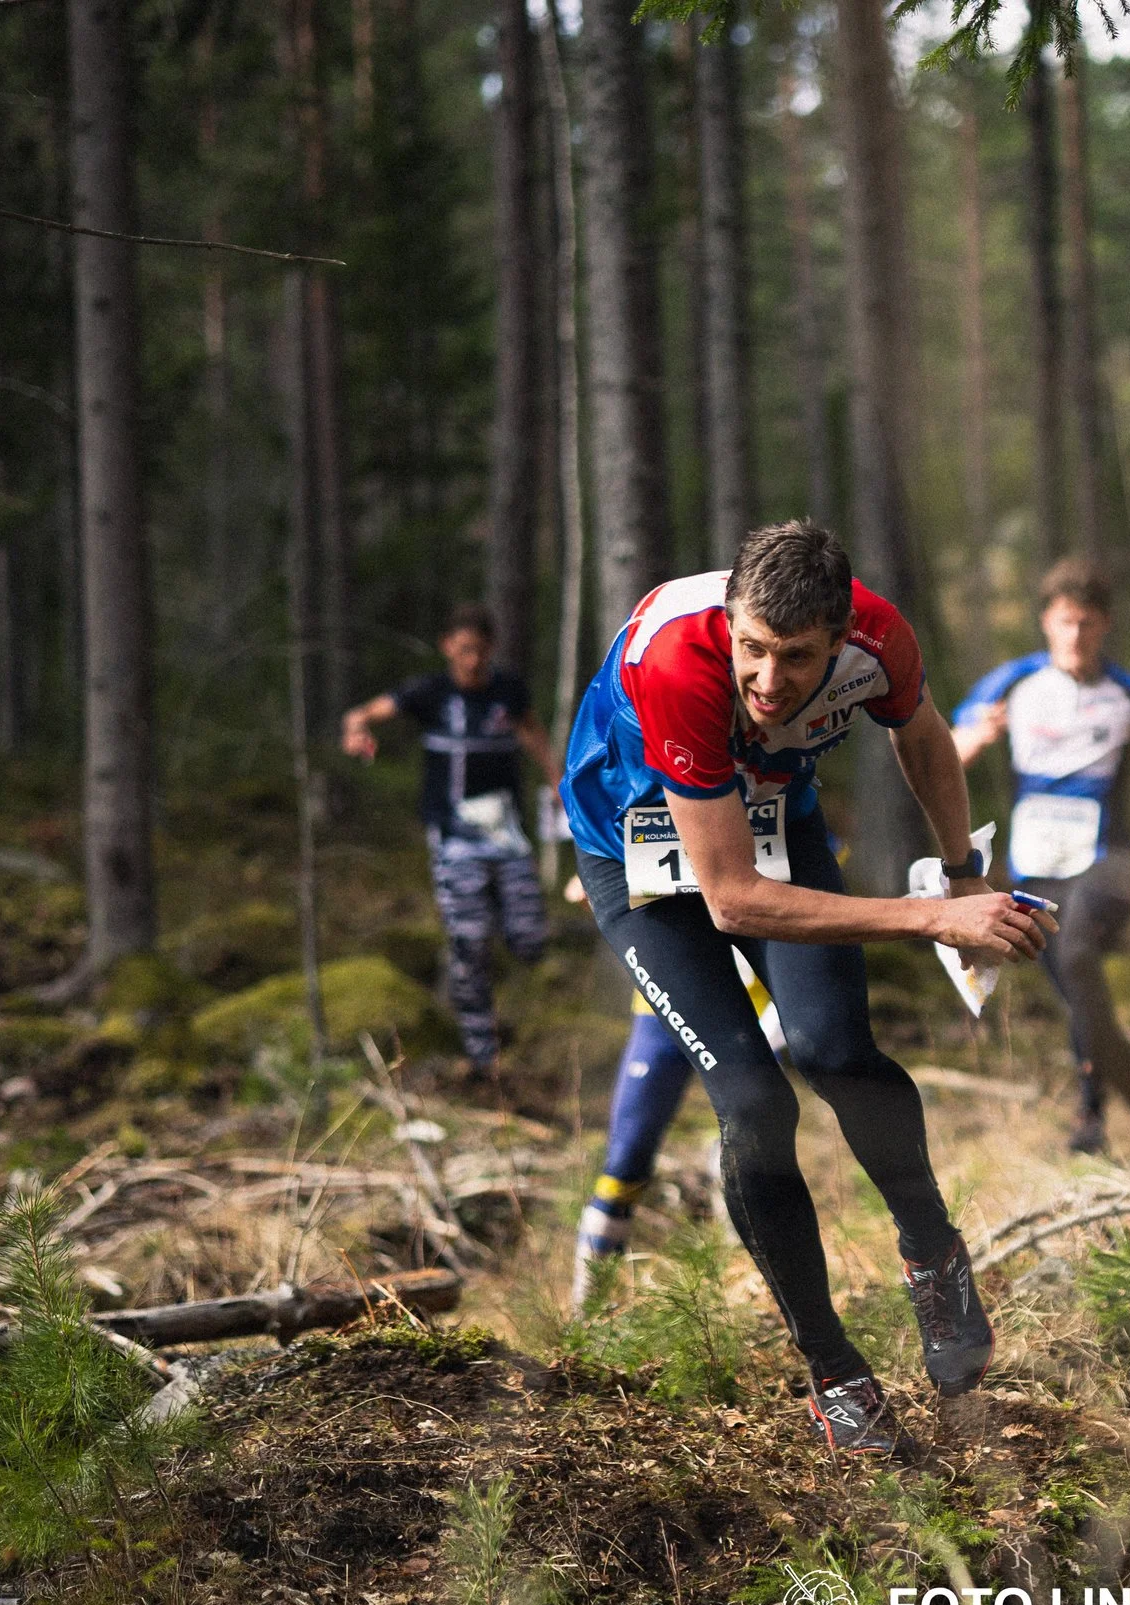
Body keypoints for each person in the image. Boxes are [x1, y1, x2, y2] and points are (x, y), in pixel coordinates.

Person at [559, 521, 1052, 1453]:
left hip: (775, 811)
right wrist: (932, 919)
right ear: (730, 621)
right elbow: (735, 899)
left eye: (794, 658)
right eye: (751, 648)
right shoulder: (680, 665)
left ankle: (932, 1250)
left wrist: (963, 871)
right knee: (752, 1102)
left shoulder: (881, 637)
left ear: (838, 636)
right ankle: (833, 1369)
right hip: (638, 856)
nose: (768, 679)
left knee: (835, 1049)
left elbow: (924, 737)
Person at [951, 559, 1130, 1156]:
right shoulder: (1013, 682)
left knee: (1078, 953)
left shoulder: (1129, 692)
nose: (1075, 636)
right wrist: (976, 741)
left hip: (1108, 857)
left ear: (1104, 625)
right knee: (1079, 992)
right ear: (1046, 624)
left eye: (1086, 623)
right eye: (1064, 623)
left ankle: (1091, 1122)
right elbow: (946, 751)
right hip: (1035, 860)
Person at [342, 603, 556, 1078]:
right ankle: (481, 1049)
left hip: (506, 831)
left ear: (491, 649)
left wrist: (559, 782)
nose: (472, 661)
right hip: (454, 835)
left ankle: (532, 1015)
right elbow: (366, 712)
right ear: (447, 649)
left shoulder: (508, 692)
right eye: (463, 651)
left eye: (480, 651)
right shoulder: (430, 693)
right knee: (470, 939)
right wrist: (356, 730)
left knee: (530, 939)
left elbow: (534, 734)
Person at [569, 952, 785, 1310]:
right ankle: (585, 1317)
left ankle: (754, 1294)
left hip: (754, 999)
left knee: (746, 1151)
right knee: (624, 1165)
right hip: (663, 995)